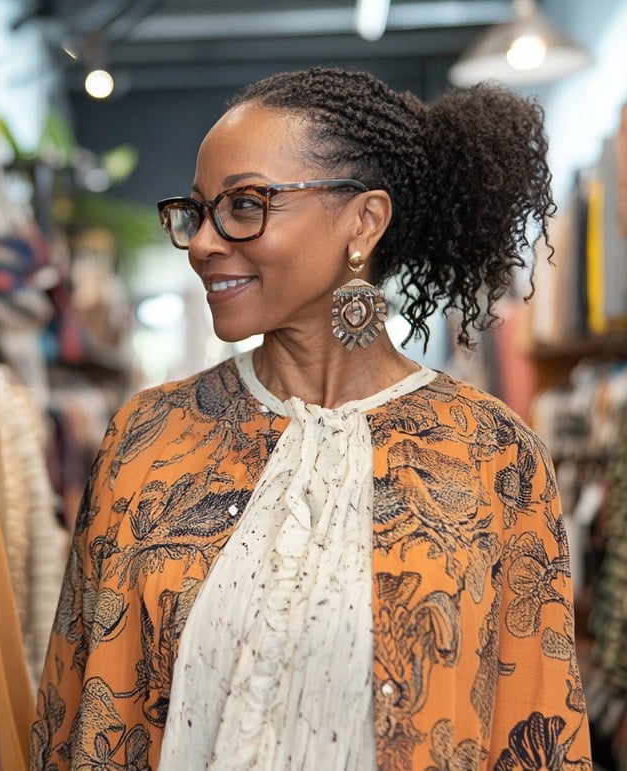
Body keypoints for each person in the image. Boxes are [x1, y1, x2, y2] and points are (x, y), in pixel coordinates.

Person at [29, 66, 592, 770]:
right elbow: (67, 708)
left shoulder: (491, 455)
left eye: (244, 204)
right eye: (196, 211)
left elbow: (538, 731)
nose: (203, 241)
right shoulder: (148, 436)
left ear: (363, 222)